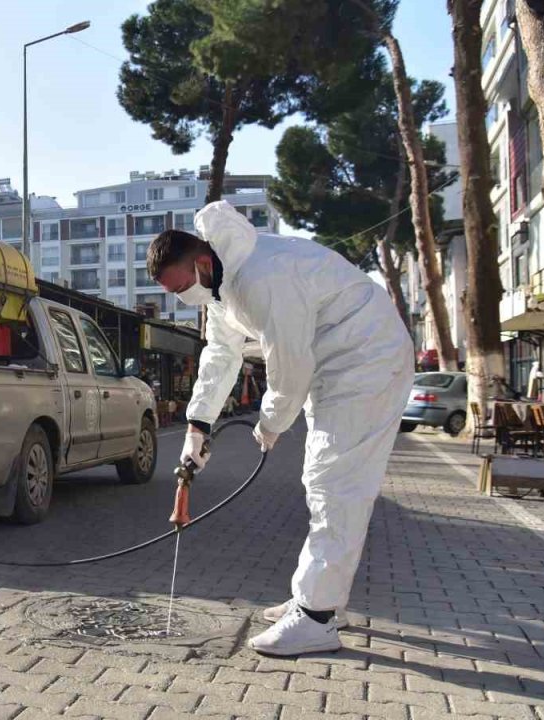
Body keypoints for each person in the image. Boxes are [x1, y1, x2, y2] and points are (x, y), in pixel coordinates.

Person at [149, 201, 412, 657]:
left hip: (366, 360)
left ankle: (316, 618)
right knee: (324, 483)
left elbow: (289, 364)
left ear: (202, 263)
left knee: (335, 486)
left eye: (181, 287)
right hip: (338, 365)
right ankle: (322, 599)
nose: (181, 297)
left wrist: (270, 424)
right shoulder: (224, 286)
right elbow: (220, 356)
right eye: (173, 293)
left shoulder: (259, 277)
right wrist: (197, 425)